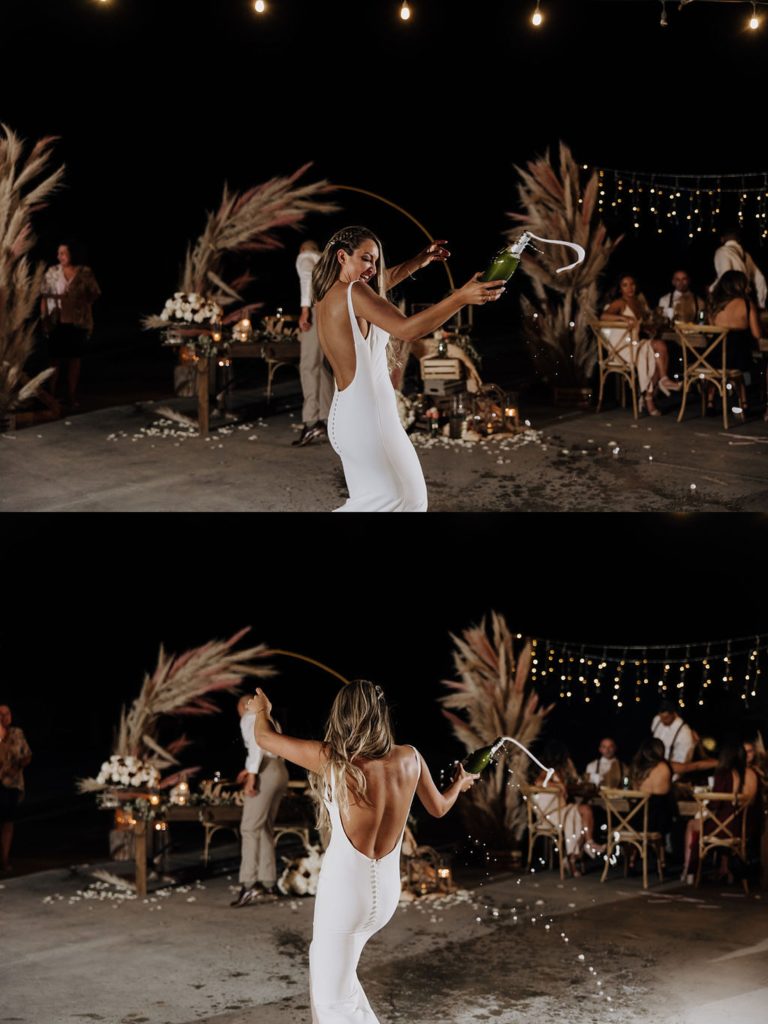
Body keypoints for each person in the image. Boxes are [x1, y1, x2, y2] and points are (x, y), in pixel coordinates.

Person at [247, 679, 478, 1023]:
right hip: (384, 897)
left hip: (344, 898)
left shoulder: (332, 759)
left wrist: (262, 711)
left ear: (341, 717)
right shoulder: (410, 757)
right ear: (381, 716)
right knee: (342, 985)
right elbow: (440, 808)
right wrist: (459, 782)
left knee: (332, 1002)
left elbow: (264, 738)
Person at [312, 225, 504, 511]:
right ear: (342, 257)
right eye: (366, 258)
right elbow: (407, 330)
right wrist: (460, 297)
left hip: (349, 419)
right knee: (403, 501)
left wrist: (419, 261)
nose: (373, 268)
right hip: (369, 420)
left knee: (386, 502)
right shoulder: (355, 292)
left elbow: (381, 281)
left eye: (376, 260)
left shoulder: (330, 295)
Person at [229, 695, 290, 907]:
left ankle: (249, 884)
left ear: (244, 705)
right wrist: (250, 769)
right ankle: (268, 883)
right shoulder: (270, 718)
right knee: (264, 827)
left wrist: (252, 776)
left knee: (249, 828)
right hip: (280, 771)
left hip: (265, 771)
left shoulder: (249, 716)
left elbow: (256, 745)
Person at [680, 736, 758, 884]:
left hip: (724, 826)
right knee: (704, 822)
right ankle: (723, 869)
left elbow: (715, 804)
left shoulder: (724, 774)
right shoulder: (748, 774)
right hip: (741, 825)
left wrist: (705, 812)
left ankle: (689, 870)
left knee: (692, 824)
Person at [600, 274, 680, 416]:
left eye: (632, 284)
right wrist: (623, 317)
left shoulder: (638, 302)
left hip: (635, 343)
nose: (630, 288)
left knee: (657, 350)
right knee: (655, 352)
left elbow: (638, 325)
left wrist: (647, 328)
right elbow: (604, 316)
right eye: (625, 285)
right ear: (620, 289)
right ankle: (655, 391)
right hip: (621, 347)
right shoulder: (620, 302)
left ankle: (658, 385)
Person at [40, 242, 101, 409]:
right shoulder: (52, 272)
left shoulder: (84, 272)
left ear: (73, 254)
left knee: (74, 359)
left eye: (64, 253)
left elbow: (94, 293)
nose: (60, 257)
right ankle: (51, 397)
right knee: (55, 359)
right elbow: (44, 296)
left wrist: (80, 303)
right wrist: (44, 317)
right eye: (59, 253)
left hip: (76, 321)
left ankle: (71, 396)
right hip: (56, 320)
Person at [532, 739, 604, 874]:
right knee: (582, 817)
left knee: (585, 811)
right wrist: (558, 785)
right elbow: (538, 782)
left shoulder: (562, 770)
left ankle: (583, 847)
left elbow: (576, 781)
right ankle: (574, 857)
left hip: (562, 809)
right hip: (551, 813)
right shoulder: (547, 771)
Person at [293, 240, 334, 447]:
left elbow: (306, 279)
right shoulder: (327, 262)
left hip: (317, 310)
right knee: (324, 367)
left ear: (303, 249)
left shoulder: (305, 258)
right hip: (332, 313)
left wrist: (304, 309)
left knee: (309, 366)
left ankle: (310, 422)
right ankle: (326, 420)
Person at [709, 269, 761, 416]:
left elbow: (710, 328)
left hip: (713, 357)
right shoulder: (746, 303)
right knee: (745, 365)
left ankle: (710, 401)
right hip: (738, 357)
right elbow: (757, 334)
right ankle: (744, 403)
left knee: (719, 365)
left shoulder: (715, 305)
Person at [0, 705, 32, 873]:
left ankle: (4, 859)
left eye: (7, 714)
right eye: (1, 714)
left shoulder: (17, 733)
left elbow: (26, 754)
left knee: (8, 822)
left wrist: (21, 762)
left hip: (11, 783)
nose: (5, 717)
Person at [630, 737, 676, 838]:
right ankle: (664, 851)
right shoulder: (665, 766)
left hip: (637, 820)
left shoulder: (637, 767)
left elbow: (634, 791)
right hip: (659, 820)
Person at [711, 230, 767, 309]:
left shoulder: (722, 252)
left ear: (722, 239)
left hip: (729, 300)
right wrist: (761, 303)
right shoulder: (746, 255)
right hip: (746, 298)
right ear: (738, 240)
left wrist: (711, 289)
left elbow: (725, 276)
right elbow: (760, 279)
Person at [650, 699, 694, 765]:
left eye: (666, 718)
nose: (662, 720)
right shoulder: (657, 719)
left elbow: (681, 763)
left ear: (674, 713)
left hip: (668, 769)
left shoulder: (684, 733)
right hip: (651, 763)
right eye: (661, 717)